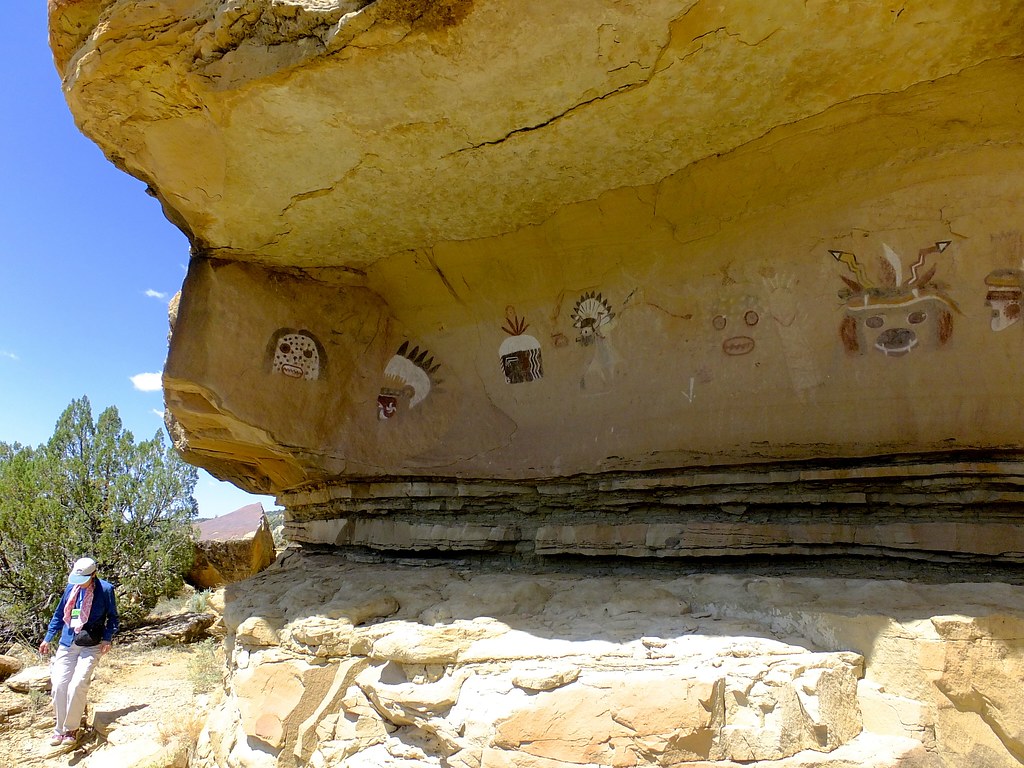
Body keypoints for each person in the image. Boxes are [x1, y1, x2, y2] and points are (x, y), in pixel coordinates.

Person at [38, 557, 119, 747]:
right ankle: (59, 729)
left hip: (91, 644)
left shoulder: (106, 590)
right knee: (59, 685)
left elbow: (113, 618)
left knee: (78, 684)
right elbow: (59, 614)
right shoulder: (71, 588)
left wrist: (107, 638)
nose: (79, 584)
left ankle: (71, 730)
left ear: (93, 575)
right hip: (67, 642)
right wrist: (47, 638)